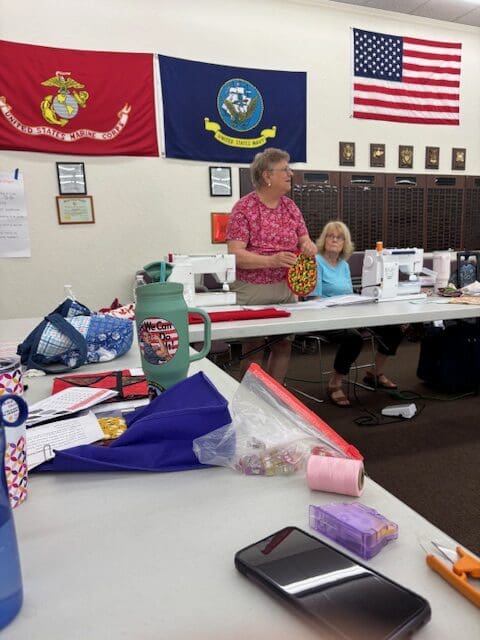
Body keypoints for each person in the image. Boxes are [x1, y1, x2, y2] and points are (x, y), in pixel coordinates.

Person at [226, 147, 317, 384]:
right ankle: (250, 398)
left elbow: (305, 240)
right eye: (284, 169)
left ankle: (275, 396)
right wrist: (271, 260)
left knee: (283, 345)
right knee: (253, 348)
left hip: (285, 288)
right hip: (253, 289)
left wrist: (308, 246)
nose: (290, 174)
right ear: (267, 175)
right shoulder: (244, 208)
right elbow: (235, 254)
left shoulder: (290, 207)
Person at [311, 220, 404, 407]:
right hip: (324, 316)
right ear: (323, 239)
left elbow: (348, 294)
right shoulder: (315, 262)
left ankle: (375, 373)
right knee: (353, 338)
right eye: (330, 236)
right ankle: (334, 383)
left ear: (345, 243)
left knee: (394, 328)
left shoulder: (343, 265)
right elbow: (315, 299)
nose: (334, 240)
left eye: (339, 238)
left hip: (348, 313)